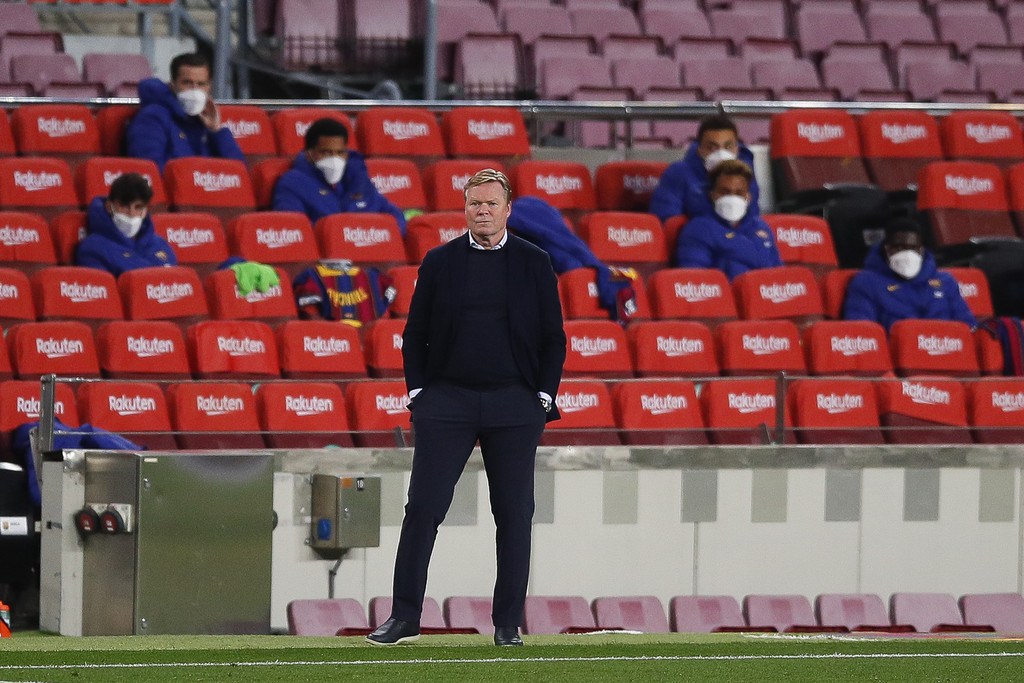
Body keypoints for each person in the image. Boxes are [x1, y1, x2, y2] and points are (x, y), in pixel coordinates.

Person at [367, 169, 566, 648]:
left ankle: (507, 625)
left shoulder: (535, 262)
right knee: (423, 510)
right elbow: (414, 334)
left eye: (491, 203)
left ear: (507, 208)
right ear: (465, 208)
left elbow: (552, 337)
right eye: (474, 203)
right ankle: (405, 617)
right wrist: (419, 393)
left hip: (515, 403)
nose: (482, 210)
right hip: (447, 401)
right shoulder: (439, 262)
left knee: (514, 514)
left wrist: (541, 397)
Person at [271, 117, 407, 234]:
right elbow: (295, 229)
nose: (334, 159)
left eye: (340, 153)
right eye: (326, 153)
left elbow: (393, 214)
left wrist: (384, 235)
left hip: (370, 253)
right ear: (309, 153)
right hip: (327, 262)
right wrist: (341, 235)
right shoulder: (292, 184)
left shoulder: (358, 180)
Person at [843, 219, 977, 332]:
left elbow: (968, 326)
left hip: (948, 355)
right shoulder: (866, 282)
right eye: (899, 247)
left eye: (913, 248)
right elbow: (862, 332)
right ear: (886, 248)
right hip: (899, 359)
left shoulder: (945, 281)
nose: (907, 254)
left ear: (921, 250)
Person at [126, 52, 245, 172]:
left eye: (201, 84)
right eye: (187, 83)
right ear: (173, 86)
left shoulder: (206, 120)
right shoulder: (152, 117)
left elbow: (240, 172)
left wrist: (217, 131)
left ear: (209, 87)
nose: (194, 90)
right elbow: (149, 170)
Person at [674, 159, 781, 281]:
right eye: (724, 192)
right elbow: (696, 280)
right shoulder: (698, 229)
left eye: (739, 193)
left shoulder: (761, 227)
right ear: (712, 195)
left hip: (765, 296)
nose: (732, 198)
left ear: (748, 197)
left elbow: (779, 273)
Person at [649, 114, 761, 223]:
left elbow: (752, 217)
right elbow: (667, 219)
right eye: (712, 147)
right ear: (700, 150)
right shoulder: (677, 173)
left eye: (728, 147)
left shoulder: (745, 174)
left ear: (737, 149)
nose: (721, 153)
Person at [76, 172, 176, 277]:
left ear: (145, 211)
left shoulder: (160, 244)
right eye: (124, 206)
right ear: (109, 206)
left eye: (138, 207)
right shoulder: (94, 247)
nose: (131, 214)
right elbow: (105, 291)